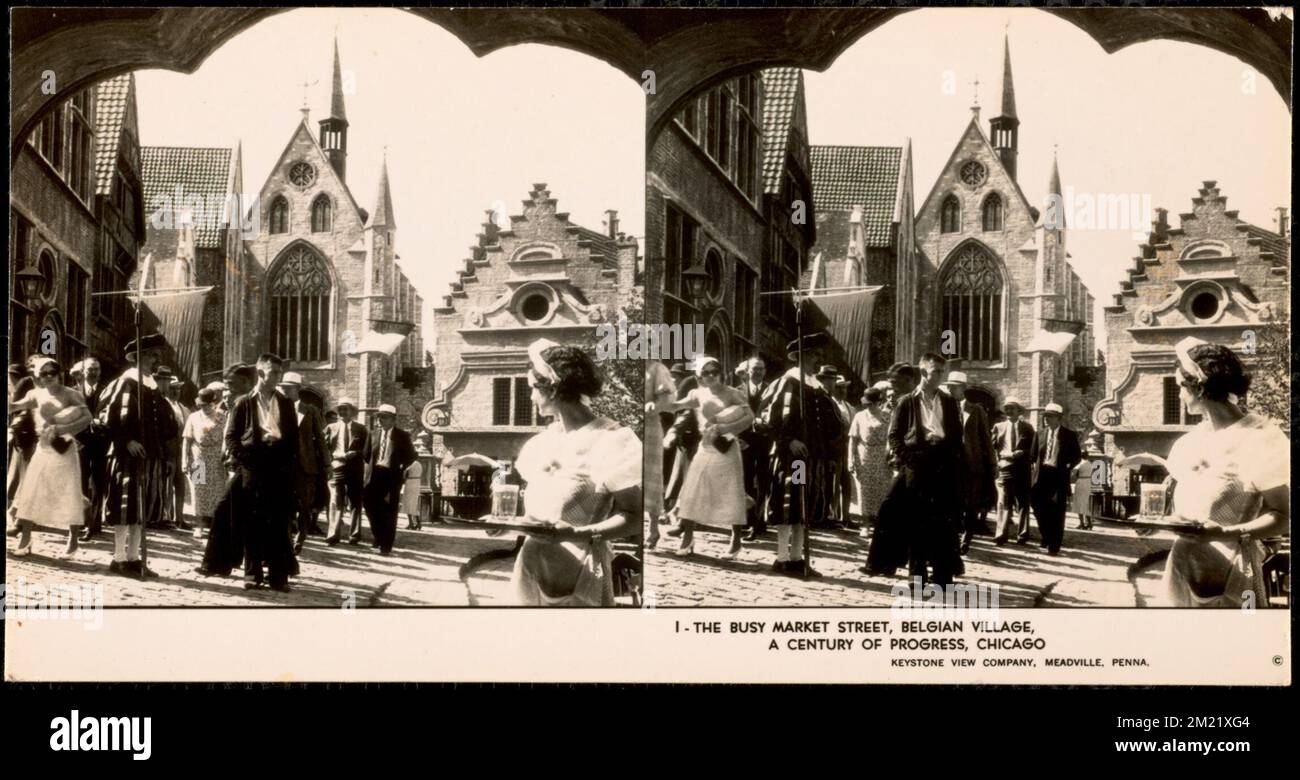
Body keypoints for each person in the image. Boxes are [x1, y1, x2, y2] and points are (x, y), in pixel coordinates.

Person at [1159, 338, 1289, 607]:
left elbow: (1284, 515)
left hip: (1232, 572)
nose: (1180, 395)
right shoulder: (1191, 440)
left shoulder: (1259, 438)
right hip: (1183, 567)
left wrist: (1223, 532)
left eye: (1181, 387)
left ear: (1200, 387)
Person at [510, 339, 641, 606]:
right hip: (530, 572)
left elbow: (635, 517)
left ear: (553, 389)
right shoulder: (544, 442)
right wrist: (503, 524)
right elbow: (542, 516)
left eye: (534, 388)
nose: (531, 396)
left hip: (579, 576)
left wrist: (574, 534)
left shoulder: (610, 440)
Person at [762, 332, 843, 577]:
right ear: (801, 356)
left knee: (802, 505)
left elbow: (832, 422)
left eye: (819, 355)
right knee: (792, 502)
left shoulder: (813, 385)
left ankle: (797, 557)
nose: (817, 360)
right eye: (813, 355)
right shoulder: (789, 382)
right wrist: (789, 441)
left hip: (810, 457)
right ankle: (782, 558)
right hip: (794, 459)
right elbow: (771, 418)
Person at [100, 334, 179, 577]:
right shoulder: (127, 382)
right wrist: (126, 441)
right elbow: (107, 415)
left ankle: (133, 557)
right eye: (153, 355)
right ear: (140, 356)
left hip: (150, 455)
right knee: (126, 506)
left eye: (157, 355)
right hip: (128, 455)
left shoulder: (151, 385)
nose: (156, 359)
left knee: (140, 509)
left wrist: (162, 451)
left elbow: (165, 423)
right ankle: (118, 558)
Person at [886, 353, 966, 586]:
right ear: (923, 372)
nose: (941, 376)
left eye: (943, 371)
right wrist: (908, 459)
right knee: (916, 520)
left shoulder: (949, 402)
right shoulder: (907, 401)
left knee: (944, 521)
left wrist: (954, 462)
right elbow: (894, 437)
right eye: (937, 372)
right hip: (917, 465)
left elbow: (956, 436)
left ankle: (943, 574)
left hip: (943, 465)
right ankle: (917, 574)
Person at [225, 353, 299, 591]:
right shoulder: (244, 402)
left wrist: (288, 465)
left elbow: (293, 439)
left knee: (279, 522)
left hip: (278, 467)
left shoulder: (286, 403)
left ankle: (278, 576)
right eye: (274, 372)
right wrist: (244, 460)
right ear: (260, 373)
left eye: (279, 372)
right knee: (253, 520)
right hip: (253, 467)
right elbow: (231, 437)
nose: (278, 377)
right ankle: (252, 574)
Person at [670, 355, 754, 560]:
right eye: (705, 373)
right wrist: (658, 404)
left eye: (714, 371)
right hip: (705, 447)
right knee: (691, 489)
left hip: (726, 448)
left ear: (721, 373)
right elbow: (675, 406)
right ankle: (687, 538)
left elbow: (750, 417)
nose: (710, 376)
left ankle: (736, 540)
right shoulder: (696, 393)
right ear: (699, 376)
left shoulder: (733, 393)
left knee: (731, 493)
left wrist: (726, 427)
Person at [10, 358, 93, 557]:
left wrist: (62, 428)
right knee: (31, 490)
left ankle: (73, 541)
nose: (48, 377)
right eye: (43, 374)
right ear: (37, 376)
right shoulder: (35, 394)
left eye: (51, 373)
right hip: (43, 448)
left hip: (65, 449)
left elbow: (87, 417)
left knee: (70, 493)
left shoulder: (72, 394)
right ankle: (26, 539)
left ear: (59, 374)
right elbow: (15, 406)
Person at [195, 365, 256, 578]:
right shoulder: (234, 404)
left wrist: (235, 456)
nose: (227, 389)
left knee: (228, 512)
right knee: (227, 512)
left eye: (231, 384)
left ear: (246, 383)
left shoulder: (250, 404)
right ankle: (220, 563)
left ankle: (222, 564)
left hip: (247, 466)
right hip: (227, 464)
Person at [861, 362, 918, 576]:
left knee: (896, 511)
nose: (891, 387)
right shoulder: (898, 401)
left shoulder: (915, 401)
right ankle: (885, 563)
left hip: (913, 464)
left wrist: (899, 454)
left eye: (895, 382)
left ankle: (889, 563)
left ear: (910, 381)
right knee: (892, 511)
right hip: (901, 462)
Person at [942, 371, 997, 553]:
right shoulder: (942, 408)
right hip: (950, 464)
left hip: (972, 464)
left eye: (954, 387)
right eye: (948, 386)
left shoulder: (976, 410)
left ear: (963, 388)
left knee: (971, 504)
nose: (950, 390)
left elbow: (986, 438)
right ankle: (954, 537)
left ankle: (967, 538)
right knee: (952, 502)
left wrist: (992, 463)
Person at [278, 372, 329, 554]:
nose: (283, 391)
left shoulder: (310, 410)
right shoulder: (277, 409)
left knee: (304, 505)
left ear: (297, 390)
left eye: (287, 388)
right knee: (284, 504)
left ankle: (301, 537)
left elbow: (321, 439)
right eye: (282, 388)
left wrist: (327, 463)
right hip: (283, 465)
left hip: (305, 464)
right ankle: (287, 539)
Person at [362, 404, 417, 556]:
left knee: (390, 511)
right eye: (379, 417)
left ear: (393, 419)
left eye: (384, 417)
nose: (380, 420)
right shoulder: (372, 434)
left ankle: (386, 545)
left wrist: (401, 468)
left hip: (391, 476)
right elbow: (366, 454)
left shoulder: (402, 436)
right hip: (374, 475)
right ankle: (379, 534)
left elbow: (412, 456)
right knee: (368, 504)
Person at [1028, 402, 1081, 556]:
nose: (1046, 419)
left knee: (1057, 511)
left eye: (1050, 417)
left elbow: (1077, 457)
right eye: (1045, 416)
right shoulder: (1040, 434)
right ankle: (1046, 535)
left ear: (1058, 418)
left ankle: (1054, 545)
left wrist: (1067, 468)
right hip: (1041, 475)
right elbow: (1032, 455)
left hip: (1058, 476)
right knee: (1037, 506)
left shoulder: (1069, 435)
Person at [181, 386, 226, 540]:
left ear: (213, 403)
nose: (205, 408)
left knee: (216, 492)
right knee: (198, 491)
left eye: (207, 405)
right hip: (198, 457)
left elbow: (226, 438)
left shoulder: (222, 417)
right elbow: (187, 440)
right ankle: (199, 525)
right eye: (202, 405)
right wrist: (184, 460)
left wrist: (224, 457)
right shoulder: (193, 417)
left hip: (216, 459)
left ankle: (215, 526)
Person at [848, 383, 891, 540]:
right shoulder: (859, 416)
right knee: (863, 491)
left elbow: (892, 438)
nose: (870, 407)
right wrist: (850, 460)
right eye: (867, 404)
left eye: (872, 404)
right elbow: (853, 439)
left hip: (882, 457)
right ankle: (865, 524)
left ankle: (880, 525)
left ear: (878, 402)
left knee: (882, 490)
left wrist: (890, 453)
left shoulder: (887, 416)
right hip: (864, 455)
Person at [74, 357, 110, 541]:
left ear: (100, 372)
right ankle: (81, 520)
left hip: (100, 445)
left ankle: (93, 524)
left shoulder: (107, 392)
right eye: (90, 369)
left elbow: (112, 415)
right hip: (79, 444)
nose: (93, 372)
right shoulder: (74, 392)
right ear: (83, 371)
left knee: (98, 484)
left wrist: (102, 424)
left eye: (96, 369)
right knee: (80, 483)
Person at [991, 397, 1034, 545]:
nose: (1009, 411)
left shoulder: (1027, 428)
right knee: (1003, 501)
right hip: (1004, 467)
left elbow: (1033, 449)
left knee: (1023, 502)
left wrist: (1023, 452)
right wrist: (997, 462)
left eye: (1012, 408)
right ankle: (1001, 535)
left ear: (1019, 411)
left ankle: (1022, 535)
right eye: (1007, 408)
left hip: (1022, 469)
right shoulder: (998, 427)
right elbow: (992, 447)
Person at [324, 399, 368, 546]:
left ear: (352, 412)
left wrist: (356, 453)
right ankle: (333, 534)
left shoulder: (361, 429)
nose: (342, 412)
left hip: (355, 469)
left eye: (345, 409)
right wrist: (329, 462)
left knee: (355, 502)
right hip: (337, 466)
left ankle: (354, 535)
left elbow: (367, 451)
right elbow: (324, 448)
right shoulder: (331, 427)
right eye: (340, 410)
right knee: (335, 500)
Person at [736, 356, 770, 541]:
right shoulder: (738, 391)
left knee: (763, 483)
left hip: (765, 444)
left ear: (765, 371)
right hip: (744, 444)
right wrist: (739, 438)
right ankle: (747, 520)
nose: (758, 372)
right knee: (745, 482)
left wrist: (765, 424)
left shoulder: (771, 389)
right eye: (755, 368)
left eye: (761, 369)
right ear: (747, 370)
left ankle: (758, 523)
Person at [643, 359, 676, 550]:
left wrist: (654, 406)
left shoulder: (657, 369)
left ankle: (653, 528)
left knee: (651, 477)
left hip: (649, 427)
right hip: (628, 423)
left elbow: (666, 399)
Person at [152, 366, 187, 530]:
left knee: (181, 484)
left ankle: (180, 517)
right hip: (169, 451)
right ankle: (166, 516)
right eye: (173, 388)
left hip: (185, 452)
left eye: (178, 389)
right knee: (167, 484)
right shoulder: (164, 405)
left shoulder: (185, 409)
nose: (175, 392)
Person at [7, 363, 38, 537]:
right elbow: (22, 411)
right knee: (23, 481)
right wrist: (14, 428)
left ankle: (19, 517)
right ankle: (18, 517)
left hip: (40, 440)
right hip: (27, 439)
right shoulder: (28, 384)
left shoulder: (52, 387)